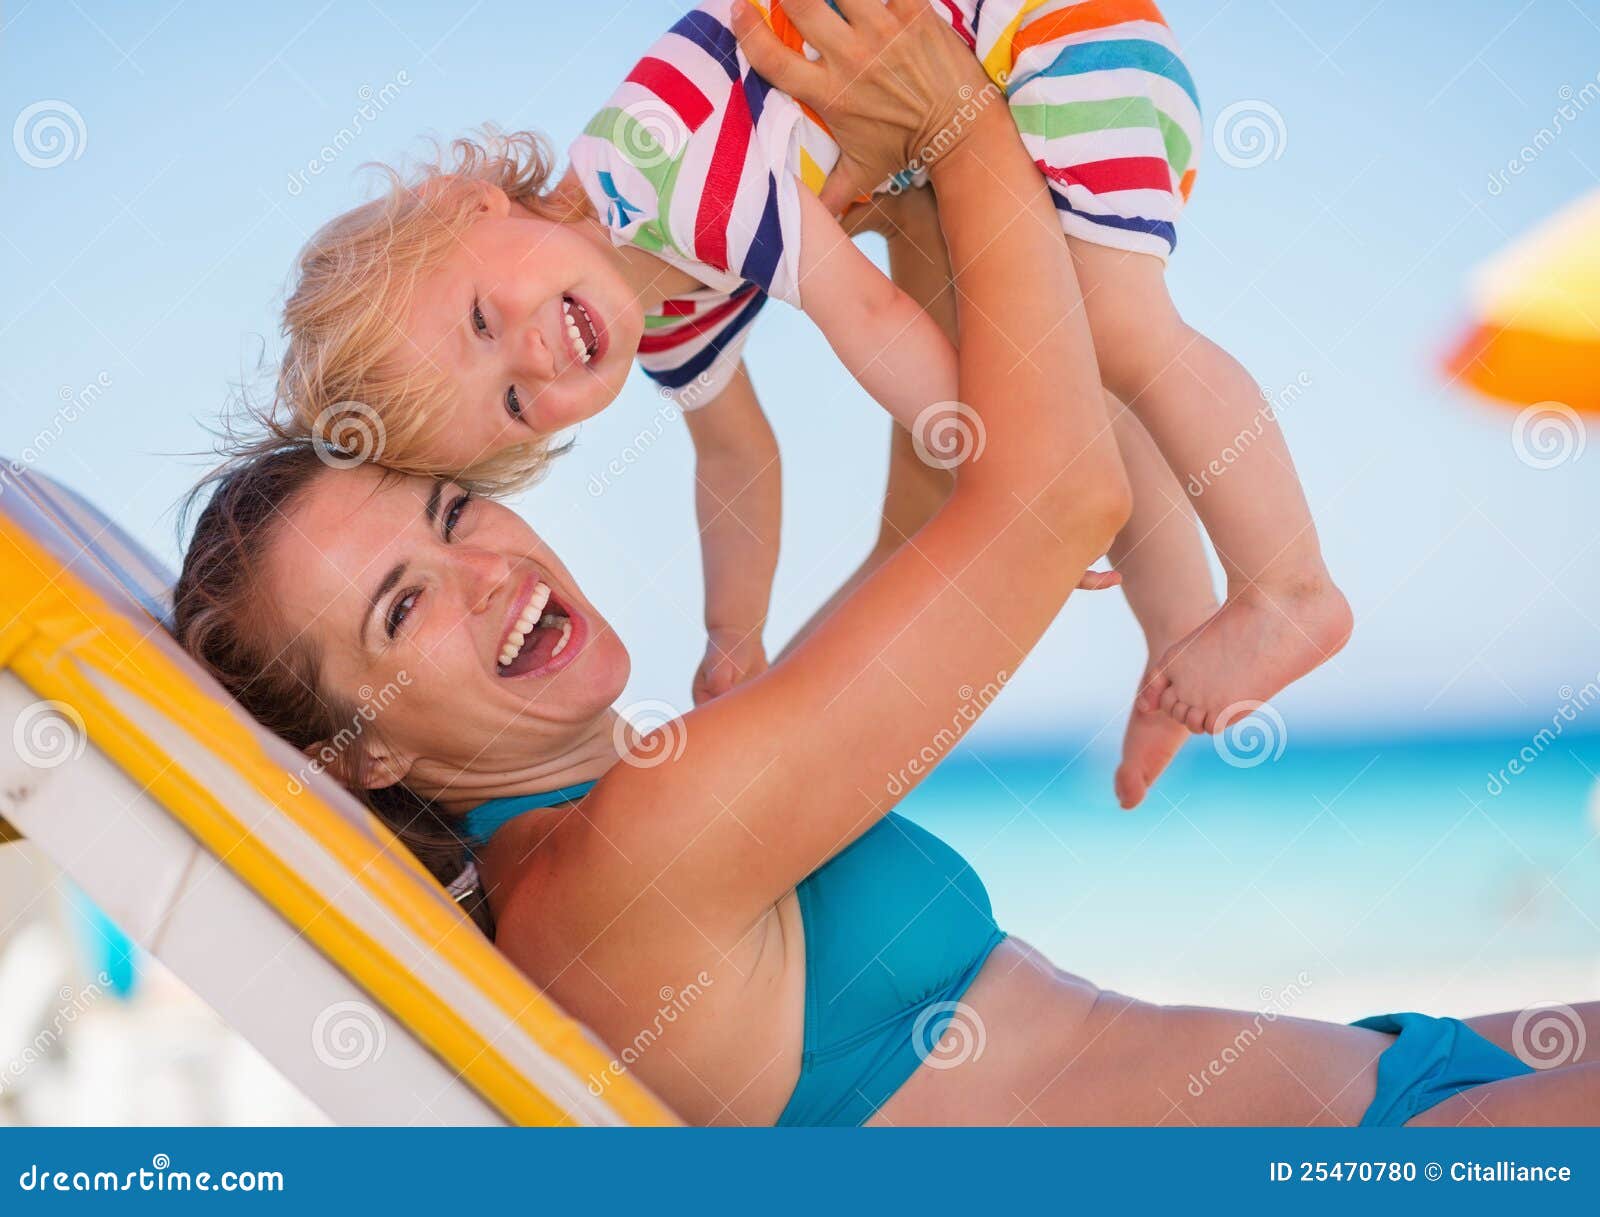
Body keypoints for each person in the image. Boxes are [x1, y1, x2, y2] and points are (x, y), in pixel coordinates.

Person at [179, 3, 1595, 1126]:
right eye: (402, 606)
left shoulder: (638, 800)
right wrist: (967, 128)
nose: (486, 568)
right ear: (359, 756)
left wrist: (923, 217)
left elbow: (942, 525)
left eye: (448, 512)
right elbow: (1051, 497)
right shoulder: (622, 873)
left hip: (1401, 1080)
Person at [272, 0, 1348, 779]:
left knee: (1114, 327)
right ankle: (1178, 639)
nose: (536, 355)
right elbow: (737, 457)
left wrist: (1012, 464)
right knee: (1092, 356)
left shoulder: (655, 171)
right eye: (510, 401)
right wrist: (732, 633)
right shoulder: (658, 310)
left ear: (472, 206)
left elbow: (869, 317)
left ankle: (1292, 588)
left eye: (478, 318)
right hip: (987, 96)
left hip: (1041, 37)